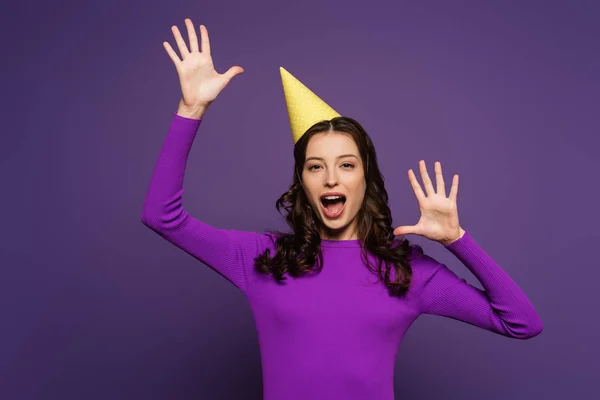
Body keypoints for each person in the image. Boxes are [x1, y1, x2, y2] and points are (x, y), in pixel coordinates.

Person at [141, 18, 543, 400]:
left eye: (346, 165)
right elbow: (162, 216)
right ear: (303, 182)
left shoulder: (407, 271)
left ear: (365, 178)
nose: (331, 178)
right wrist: (190, 109)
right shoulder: (262, 258)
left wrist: (458, 240)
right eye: (316, 167)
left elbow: (521, 323)